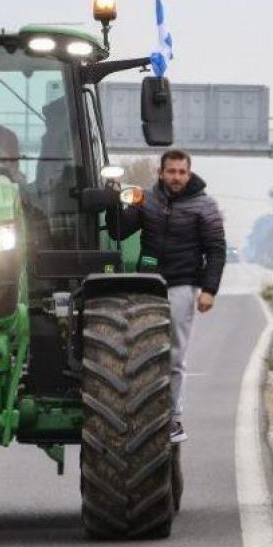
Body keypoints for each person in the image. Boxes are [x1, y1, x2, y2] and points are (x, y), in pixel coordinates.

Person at [106, 149, 226, 443]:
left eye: (181, 172)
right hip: (147, 283)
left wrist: (209, 290)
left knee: (174, 354)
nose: (176, 177)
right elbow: (118, 231)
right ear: (160, 173)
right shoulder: (145, 198)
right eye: (171, 171)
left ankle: (173, 418)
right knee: (139, 351)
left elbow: (216, 250)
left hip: (183, 285)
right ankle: (138, 412)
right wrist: (112, 201)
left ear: (189, 173)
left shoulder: (205, 206)